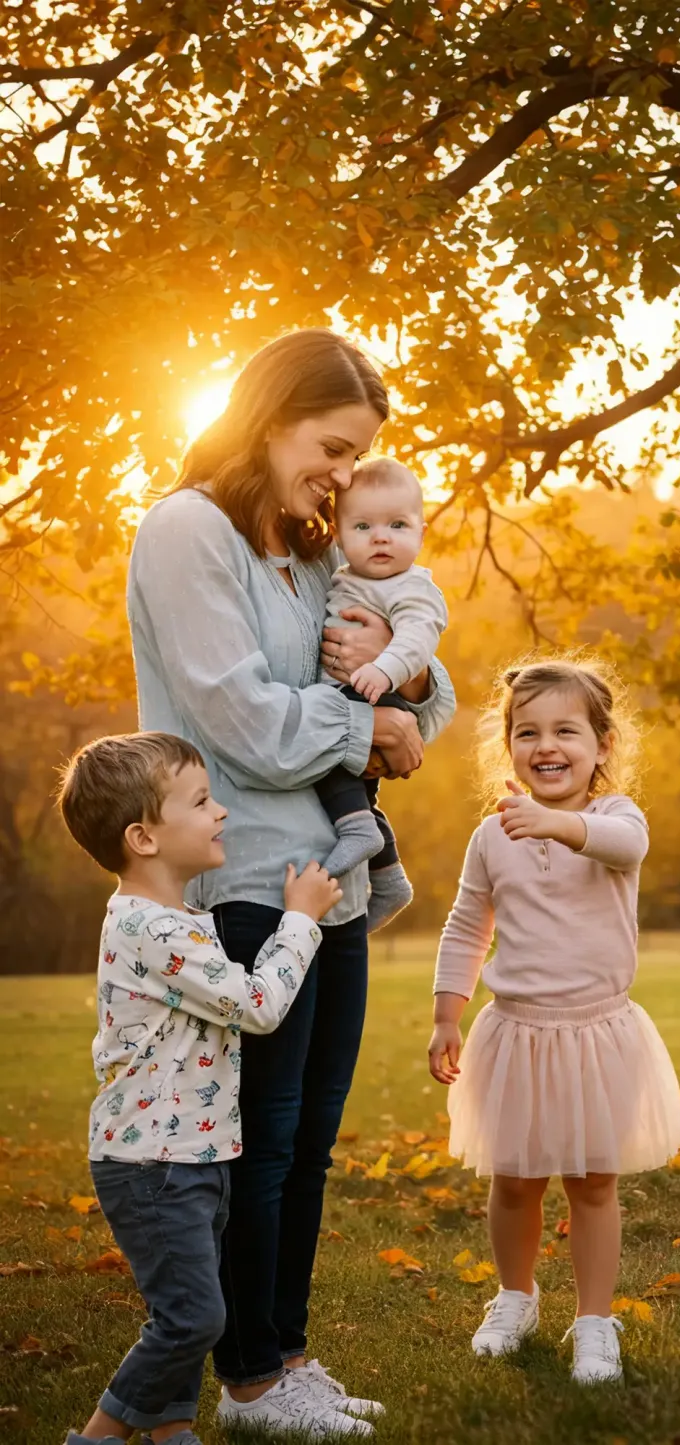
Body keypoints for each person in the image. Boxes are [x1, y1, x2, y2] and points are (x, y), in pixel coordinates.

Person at [126, 328, 456, 1434]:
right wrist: (366, 721)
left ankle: (288, 1355)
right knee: (259, 1140)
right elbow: (247, 726)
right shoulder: (188, 532)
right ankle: (249, 1380)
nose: (343, 473)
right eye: (330, 445)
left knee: (309, 1136)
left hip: (332, 878)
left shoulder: (308, 551)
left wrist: (403, 709)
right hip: (246, 880)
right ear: (267, 420)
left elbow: (415, 671)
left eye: (358, 453)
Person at [55, 731, 344, 1445]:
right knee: (193, 1317)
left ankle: (171, 1430)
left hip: (194, 1151)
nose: (221, 812)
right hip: (153, 1163)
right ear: (143, 836)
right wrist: (301, 919)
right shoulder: (152, 928)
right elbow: (256, 1006)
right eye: (202, 800)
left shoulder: (178, 920)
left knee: (189, 1302)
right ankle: (96, 1436)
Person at [428, 658, 680, 1385]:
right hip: (516, 1033)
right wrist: (448, 1014)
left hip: (597, 1033)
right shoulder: (492, 835)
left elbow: (625, 848)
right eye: (527, 731)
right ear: (507, 744)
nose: (546, 745)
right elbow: (465, 925)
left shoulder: (614, 817)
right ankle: (515, 1296)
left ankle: (595, 1319)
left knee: (593, 1183)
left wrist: (557, 824)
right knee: (513, 1179)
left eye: (566, 730)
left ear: (602, 745)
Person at [314, 457, 448, 932]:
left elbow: (418, 637)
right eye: (364, 525)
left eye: (397, 525)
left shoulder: (411, 586)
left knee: (326, 758)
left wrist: (384, 668)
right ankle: (389, 878)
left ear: (421, 532)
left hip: (370, 693)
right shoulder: (346, 576)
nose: (381, 537)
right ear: (338, 531)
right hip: (353, 692)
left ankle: (356, 833)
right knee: (362, 795)